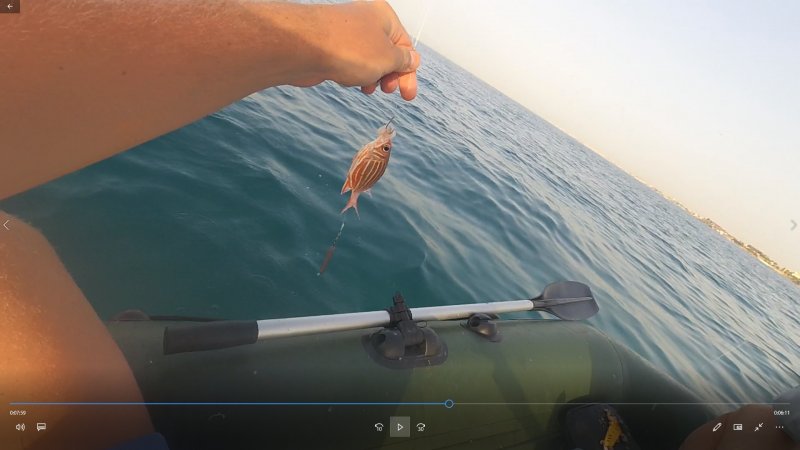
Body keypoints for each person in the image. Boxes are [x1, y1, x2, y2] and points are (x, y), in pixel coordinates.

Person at [0, 2, 795, 450]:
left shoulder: (370, 152)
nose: (758, 421)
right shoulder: (376, 156)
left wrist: (306, 38)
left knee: (16, 255)